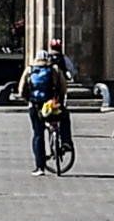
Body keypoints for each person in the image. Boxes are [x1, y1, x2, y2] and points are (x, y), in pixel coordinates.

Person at [20, 41, 75, 174]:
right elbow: (63, 88)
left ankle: (40, 167)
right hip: (51, 105)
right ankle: (66, 141)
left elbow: (21, 90)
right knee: (65, 117)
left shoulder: (30, 70)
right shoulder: (54, 69)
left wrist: (28, 99)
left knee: (38, 134)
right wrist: (59, 100)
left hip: (35, 106)